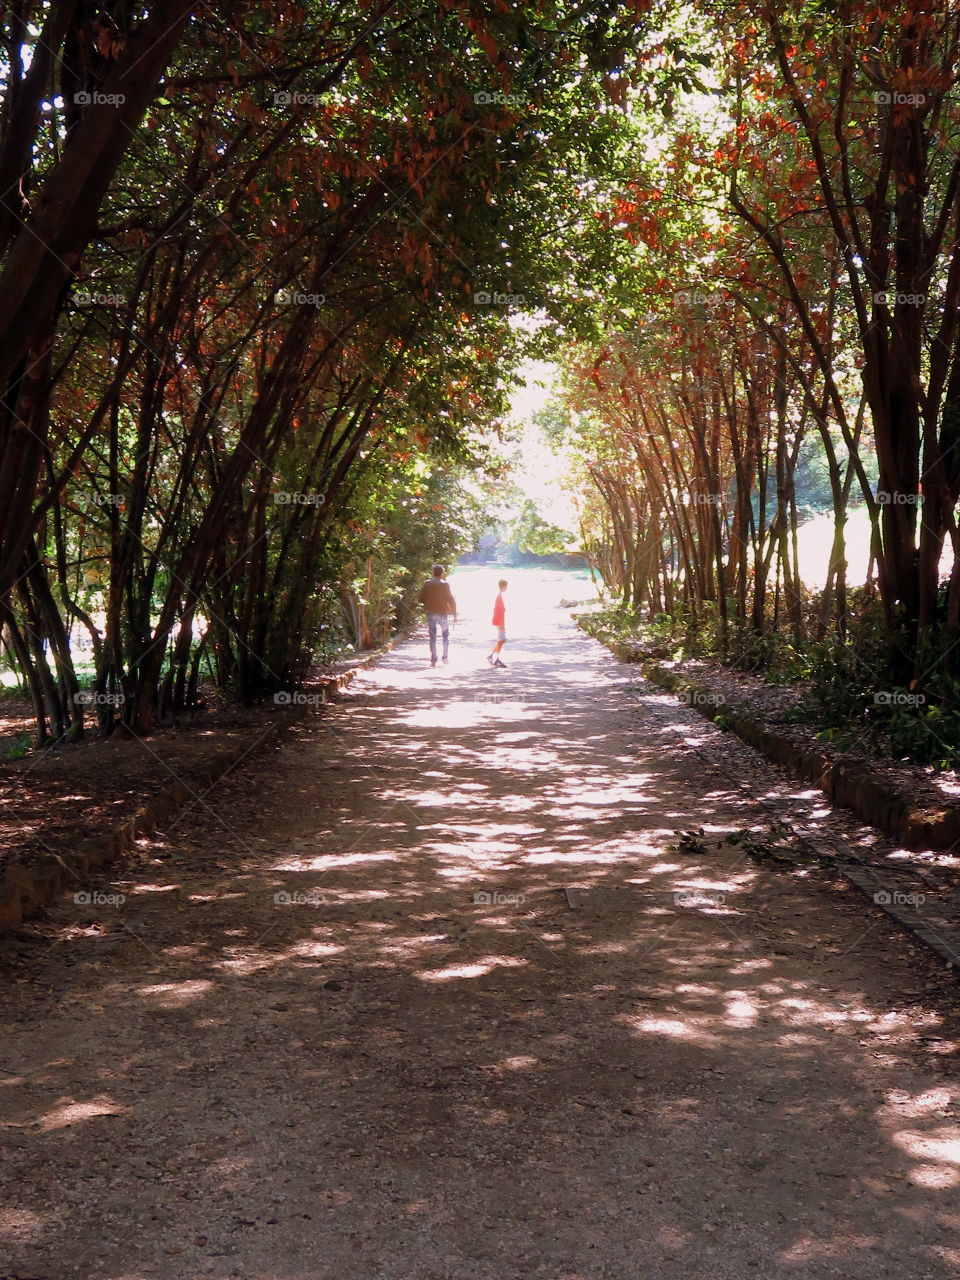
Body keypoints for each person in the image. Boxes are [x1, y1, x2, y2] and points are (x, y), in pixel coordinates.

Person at [418, 564, 457, 666]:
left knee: (433, 637)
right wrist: (454, 613)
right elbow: (451, 599)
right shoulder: (445, 584)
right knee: (445, 635)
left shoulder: (427, 584)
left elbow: (420, 599)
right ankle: (445, 658)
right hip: (443, 613)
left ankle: (433, 660)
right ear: (442, 573)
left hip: (431, 613)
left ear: (433, 572)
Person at [487, 578, 508, 668]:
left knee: (502, 640)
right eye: (506, 586)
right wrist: (501, 623)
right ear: (503, 586)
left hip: (499, 620)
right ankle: (495, 658)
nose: (507, 588)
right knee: (501, 640)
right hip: (500, 621)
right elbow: (498, 610)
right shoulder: (499, 597)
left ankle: (492, 656)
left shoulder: (499, 596)